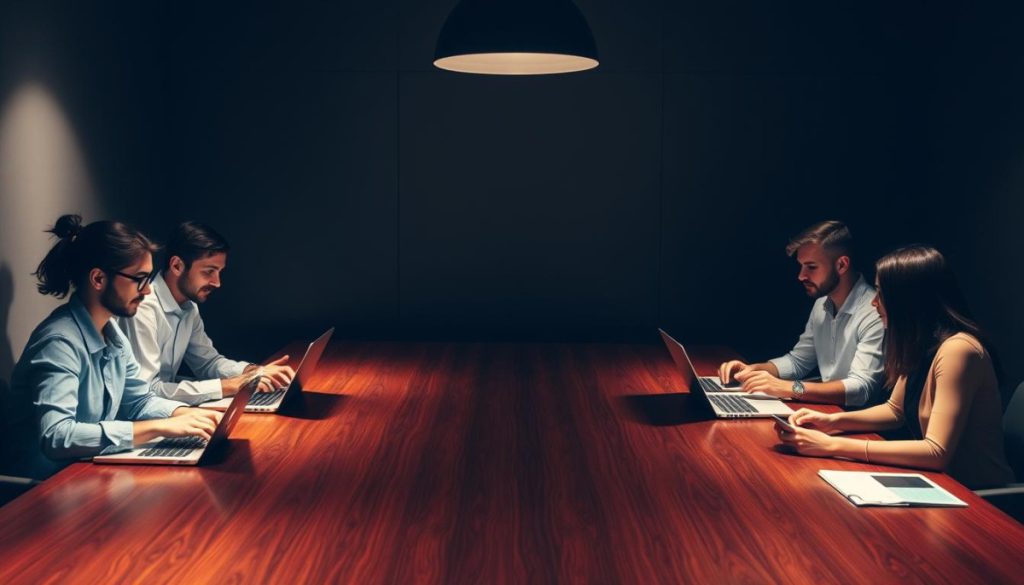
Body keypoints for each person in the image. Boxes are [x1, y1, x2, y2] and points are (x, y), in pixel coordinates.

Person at [1, 215, 223, 480]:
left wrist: (186, 415)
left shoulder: (112, 332)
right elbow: (57, 436)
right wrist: (160, 427)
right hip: (39, 489)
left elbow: (139, 400)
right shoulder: (59, 342)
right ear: (98, 279)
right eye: (139, 279)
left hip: (83, 472)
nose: (148, 291)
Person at [777, 245, 1015, 489]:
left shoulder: (959, 350)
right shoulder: (922, 343)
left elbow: (936, 451)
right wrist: (831, 422)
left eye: (881, 292)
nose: (873, 302)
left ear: (908, 299)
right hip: (941, 486)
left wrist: (832, 445)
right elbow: (894, 410)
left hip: (980, 500)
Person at [118, 221, 294, 406]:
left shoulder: (189, 307)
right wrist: (230, 386)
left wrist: (252, 372)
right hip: (144, 418)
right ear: (177, 266)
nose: (217, 282)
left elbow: (208, 363)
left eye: (219, 272)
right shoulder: (143, 308)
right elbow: (149, 390)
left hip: (167, 410)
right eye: (209, 271)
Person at [718, 220, 885, 407]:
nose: (801, 276)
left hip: (860, 427)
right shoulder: (822, 303)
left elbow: (862, 389)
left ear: (842, 265)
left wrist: (790, 388)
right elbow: (798, 362)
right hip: (826, 412)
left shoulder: (875, 312)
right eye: (801, 266)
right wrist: (753, 370)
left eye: (811, 267)